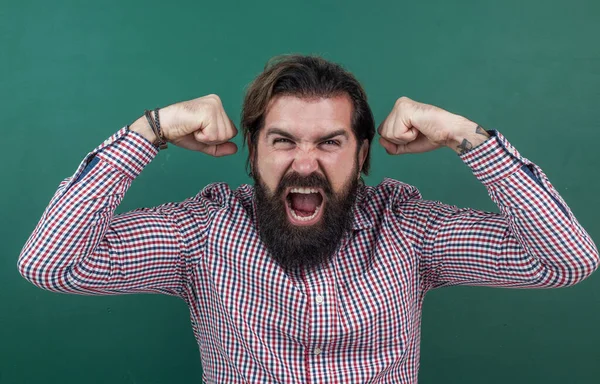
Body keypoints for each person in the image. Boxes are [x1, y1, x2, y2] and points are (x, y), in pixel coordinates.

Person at [18, 55, 599, 383]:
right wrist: (150, 130)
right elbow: (51, 264)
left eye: (329, 142)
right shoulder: (202, 233)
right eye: (282, 141)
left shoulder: (407, 228)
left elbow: (565, 261)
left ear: (362, 153)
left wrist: (463, 136)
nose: (305, 163)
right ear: (253, 151)